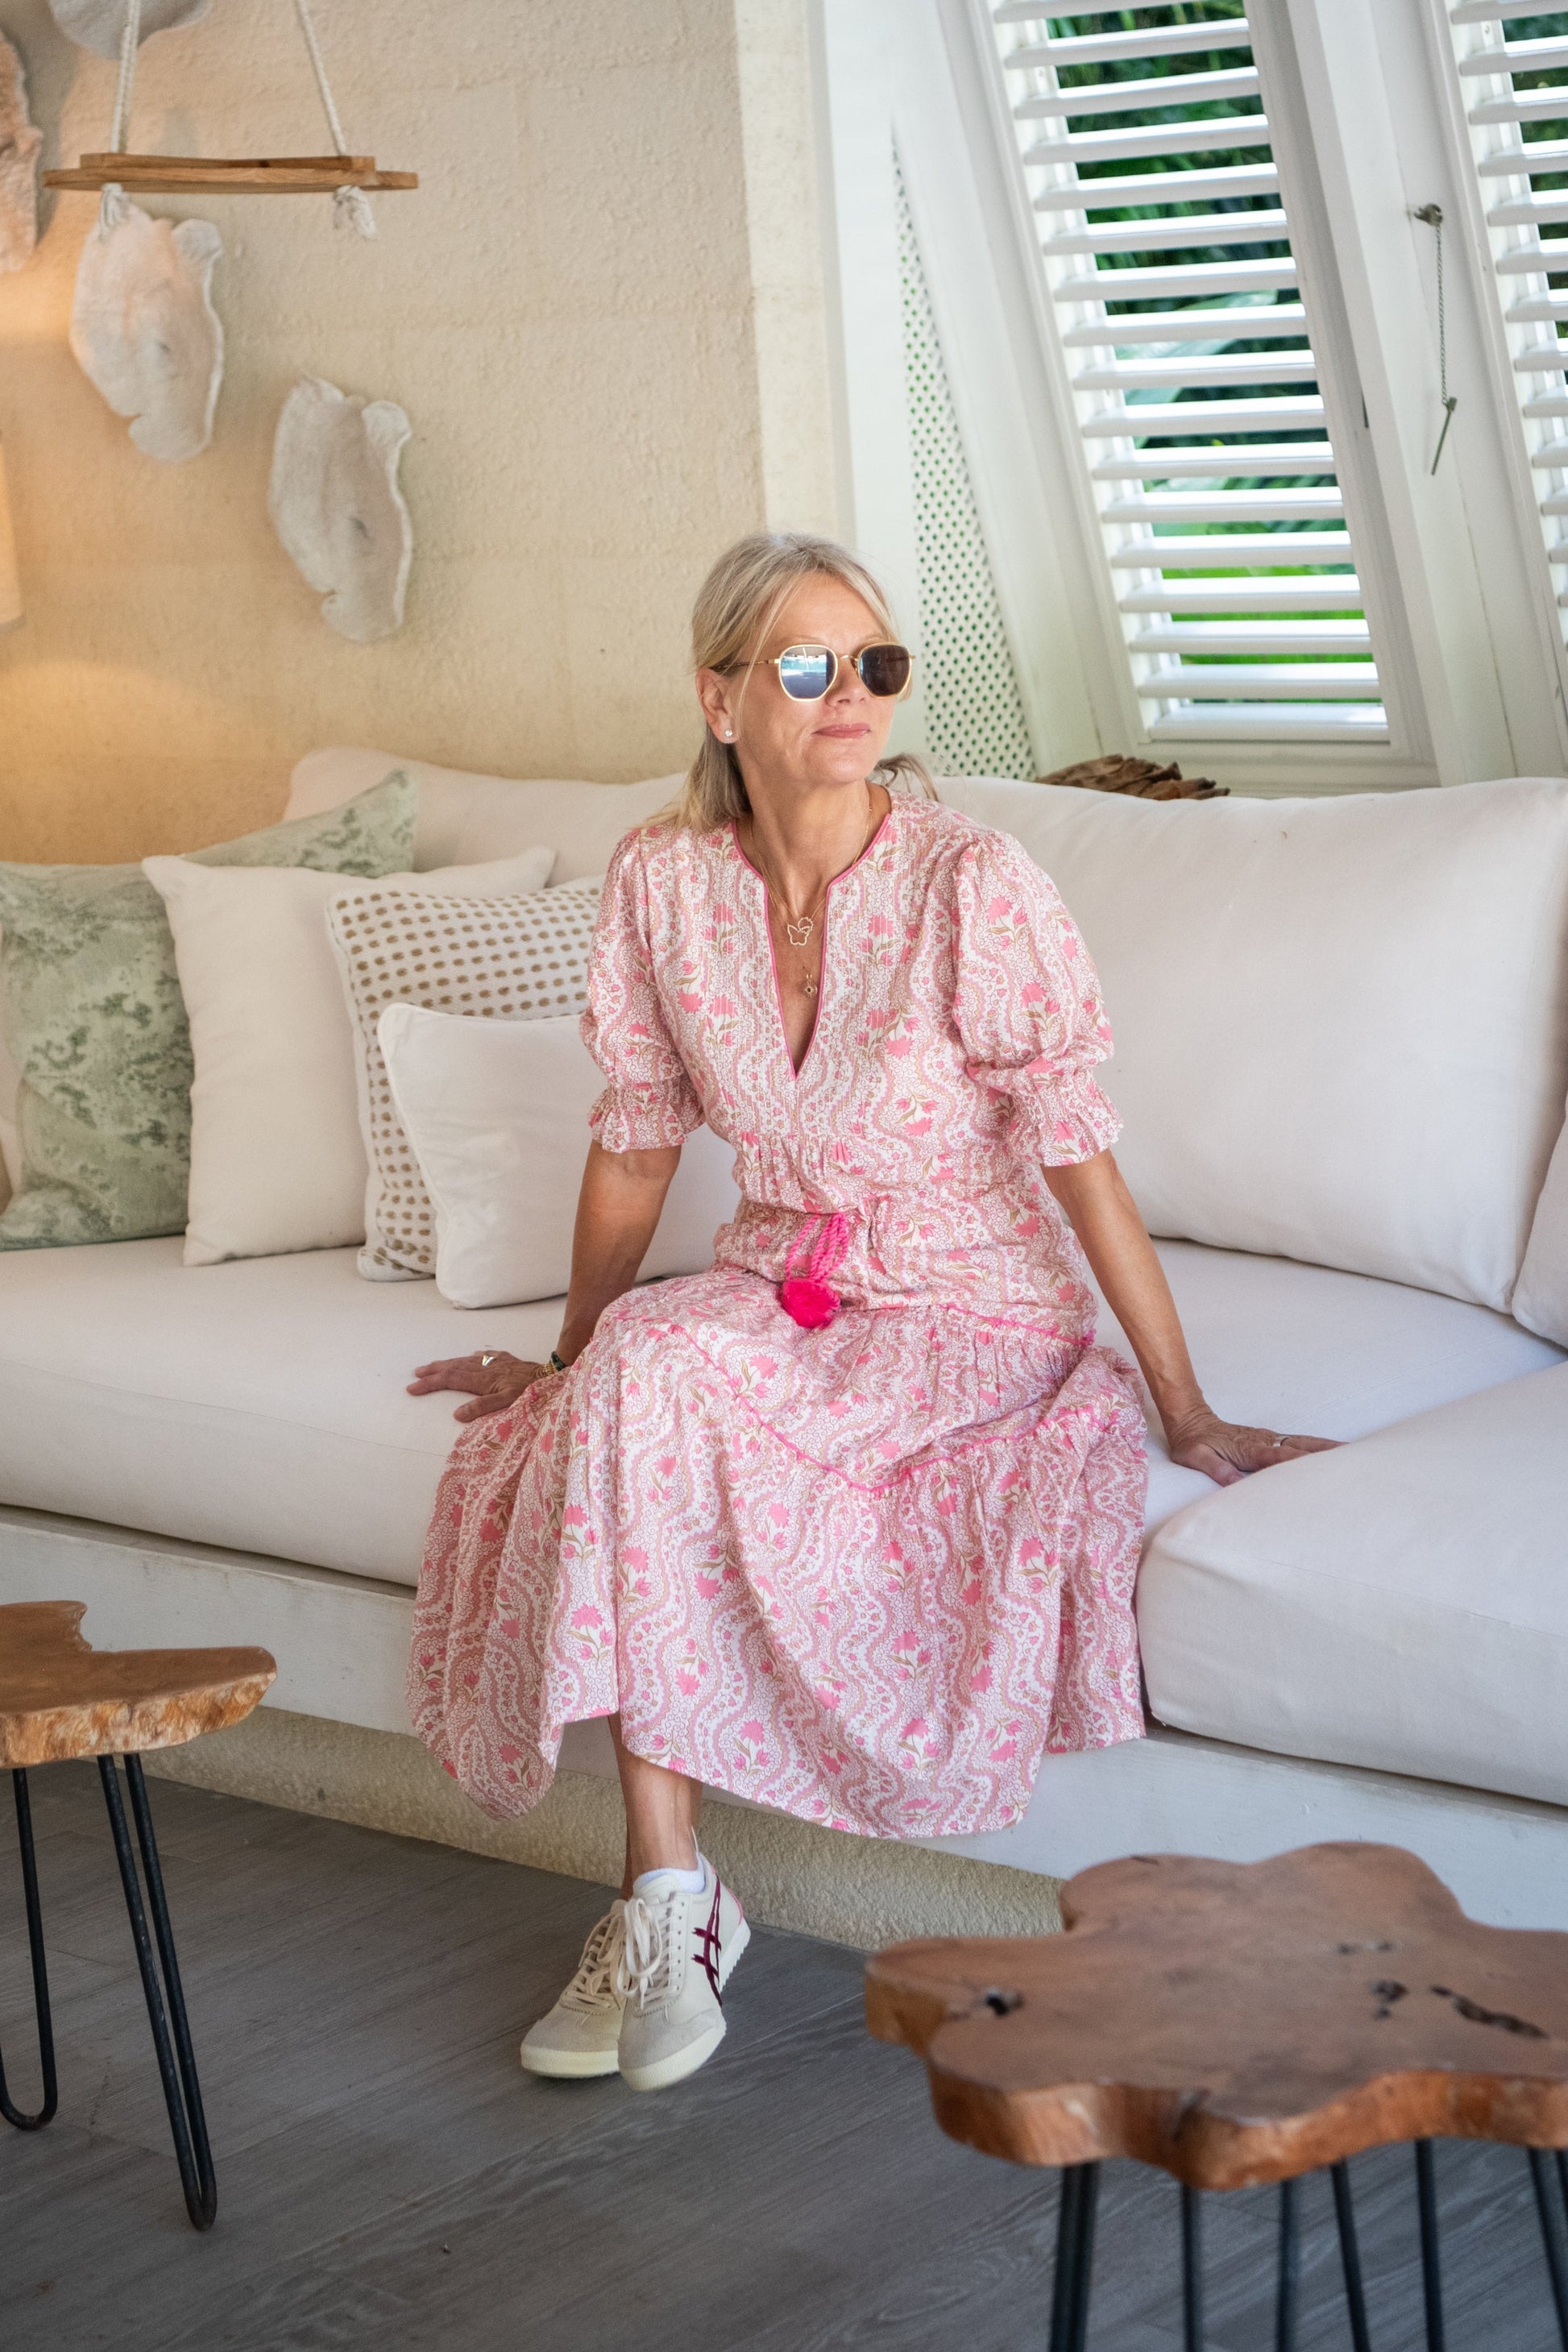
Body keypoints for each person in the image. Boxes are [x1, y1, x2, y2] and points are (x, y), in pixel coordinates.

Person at [406, 530, 1334, 2097]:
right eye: (806, 665)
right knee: (640, 1362)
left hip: (970, 1307)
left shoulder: (971, 880)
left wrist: (1182, 1408)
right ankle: (669, 1894)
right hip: (784, 1284)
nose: (851, 695)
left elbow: (1080, 1158)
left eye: (875, 663)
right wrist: (568, 1352)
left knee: (659, 1380)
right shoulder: (660, 880)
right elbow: (635, 1141)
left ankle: (665, 1905)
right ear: (720, 698)